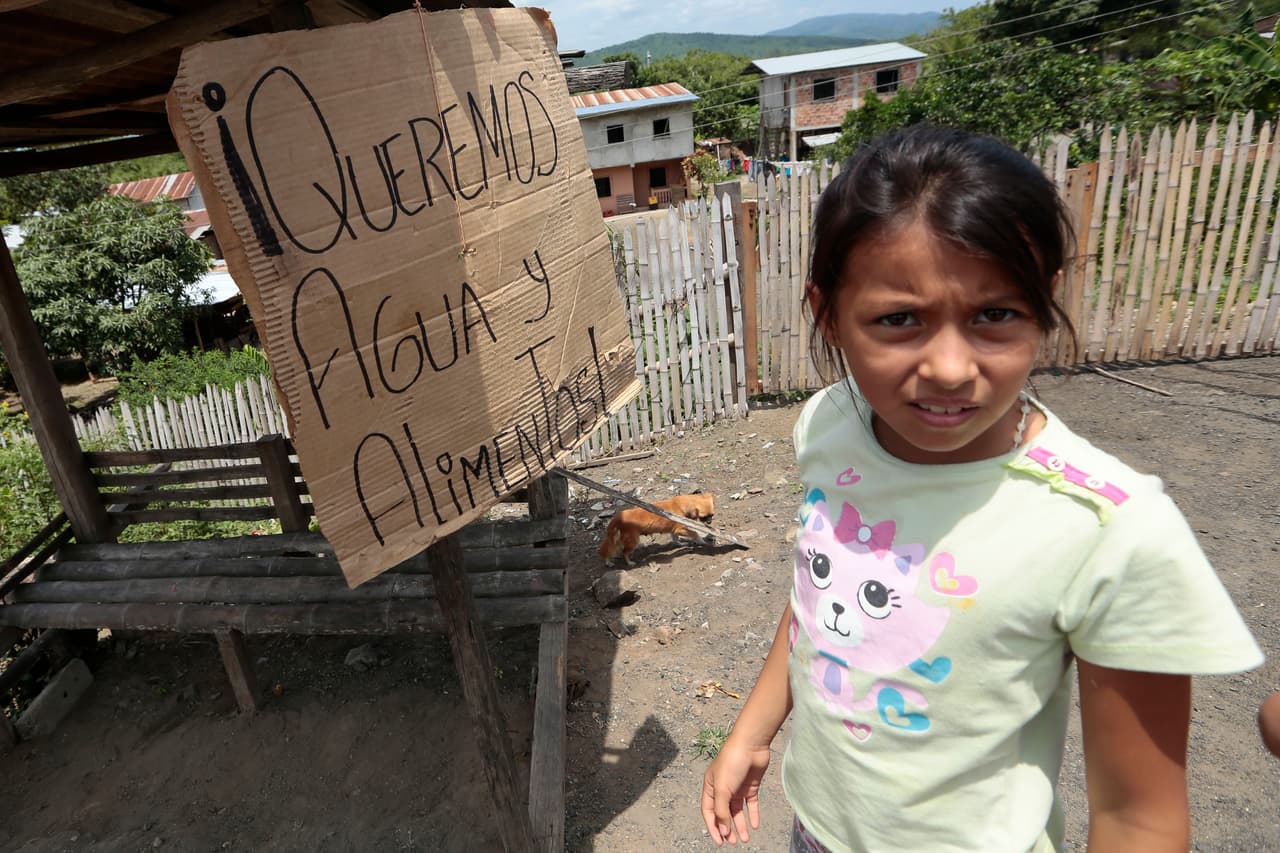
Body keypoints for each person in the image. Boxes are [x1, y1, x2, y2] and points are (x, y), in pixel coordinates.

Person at [699, 126, 1263, 852]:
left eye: (995, 314)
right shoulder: (830, 424)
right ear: (827, 314)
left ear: (1044, 299)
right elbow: (824, 583)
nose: (950, 368)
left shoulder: (1110, 528)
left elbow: (1139, 818)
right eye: (899, 319)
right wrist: (752, 726)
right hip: (818, 829)